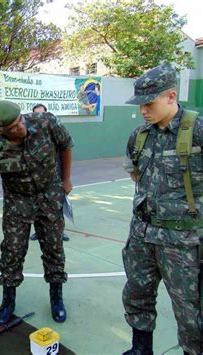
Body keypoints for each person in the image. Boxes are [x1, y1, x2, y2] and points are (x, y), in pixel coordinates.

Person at [121, 64, 201, 355]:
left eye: (149, 103)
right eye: (140, 104)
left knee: (190, 311)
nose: (143, 110)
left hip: (183, 242)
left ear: (171, 96)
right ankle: (141, 349)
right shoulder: (140, 135)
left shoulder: (198, 131)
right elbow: (135, 174)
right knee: (137, 295)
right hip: (142, 236)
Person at [0, 100, 74, 325]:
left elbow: (66, 145)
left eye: (19, 121)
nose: (20, 127)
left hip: (49, 196)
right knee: (12, 251)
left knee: (54, 248)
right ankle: (8, 300)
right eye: (12, 128)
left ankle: (56, 298)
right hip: (17, 203)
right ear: (0, 130)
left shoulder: (46, 123)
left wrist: (66, 178)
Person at [30, 103, 70, 242]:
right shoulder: (29, 134)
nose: (40, 117)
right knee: (37, 206)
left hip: (55, 178)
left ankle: (60, 232)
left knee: (57, 205)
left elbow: (66, 150)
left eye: (43, 114)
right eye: (37, 114)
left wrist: (65, 179)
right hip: (36, 180)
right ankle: (38, 232)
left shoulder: (56, 131)